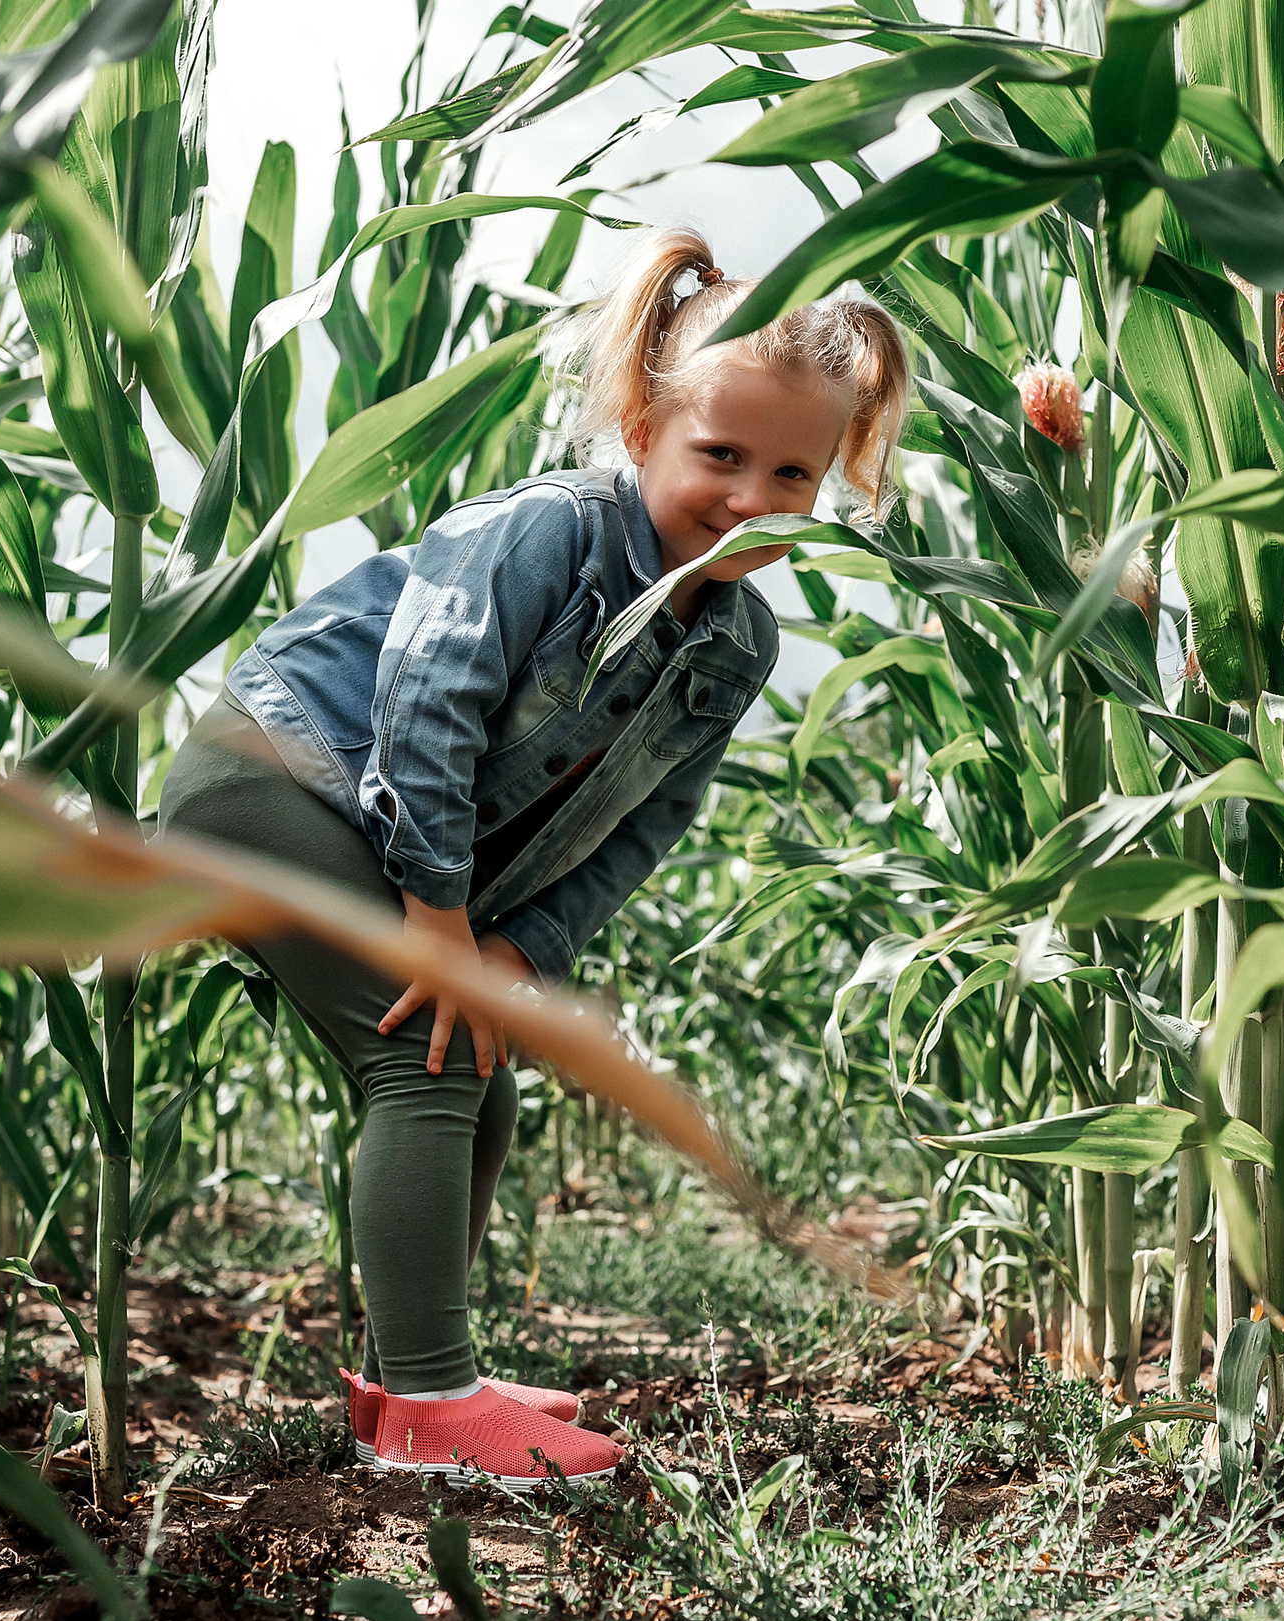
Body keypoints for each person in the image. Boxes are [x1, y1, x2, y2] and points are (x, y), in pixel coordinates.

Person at [158, 230, 909, 1489]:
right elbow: (425, 703)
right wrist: (441, 919)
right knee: (423, 1053)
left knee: (473, 1067)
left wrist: (519, 948)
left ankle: (413, 1381)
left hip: (380, 838)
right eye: (718, 456)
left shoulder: (734, 641)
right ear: (639, 424)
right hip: (274, 781)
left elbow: (646, 824)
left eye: (794, 473)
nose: (751, 499)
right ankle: (435, 1411)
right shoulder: (549, 533)